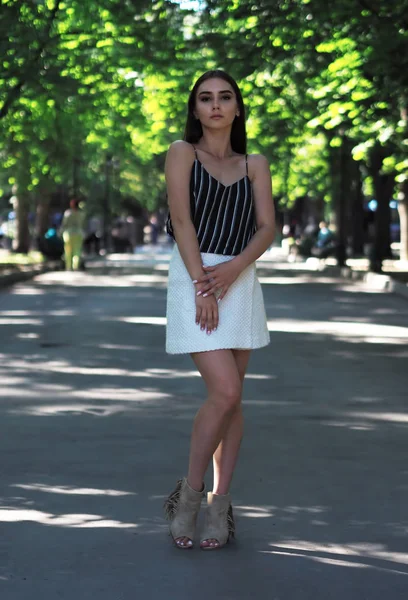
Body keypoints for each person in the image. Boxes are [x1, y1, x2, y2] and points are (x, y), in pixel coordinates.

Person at [163, 70, 275, 551]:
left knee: (234, 399)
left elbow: (268, 228)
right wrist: (203, 285)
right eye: (205, 98)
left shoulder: (255, 164)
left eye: (224, 97)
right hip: (195, 276)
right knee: (224, 390)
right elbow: (182, 221)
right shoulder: (181, 153)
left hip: (240, 279)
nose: (215, 105)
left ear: (237, 107)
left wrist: (233, 271)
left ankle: (220, 504)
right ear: (195, 109)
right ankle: (187, 497)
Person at [60, 198, 85, 270]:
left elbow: (64, 224)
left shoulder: (68, 213)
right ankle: (75, 266)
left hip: (68, 234)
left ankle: (68, 267)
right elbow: (83, 224)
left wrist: (60, 232)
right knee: (77, 251)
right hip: (78, 233)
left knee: (68, 251)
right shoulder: (82, 214)